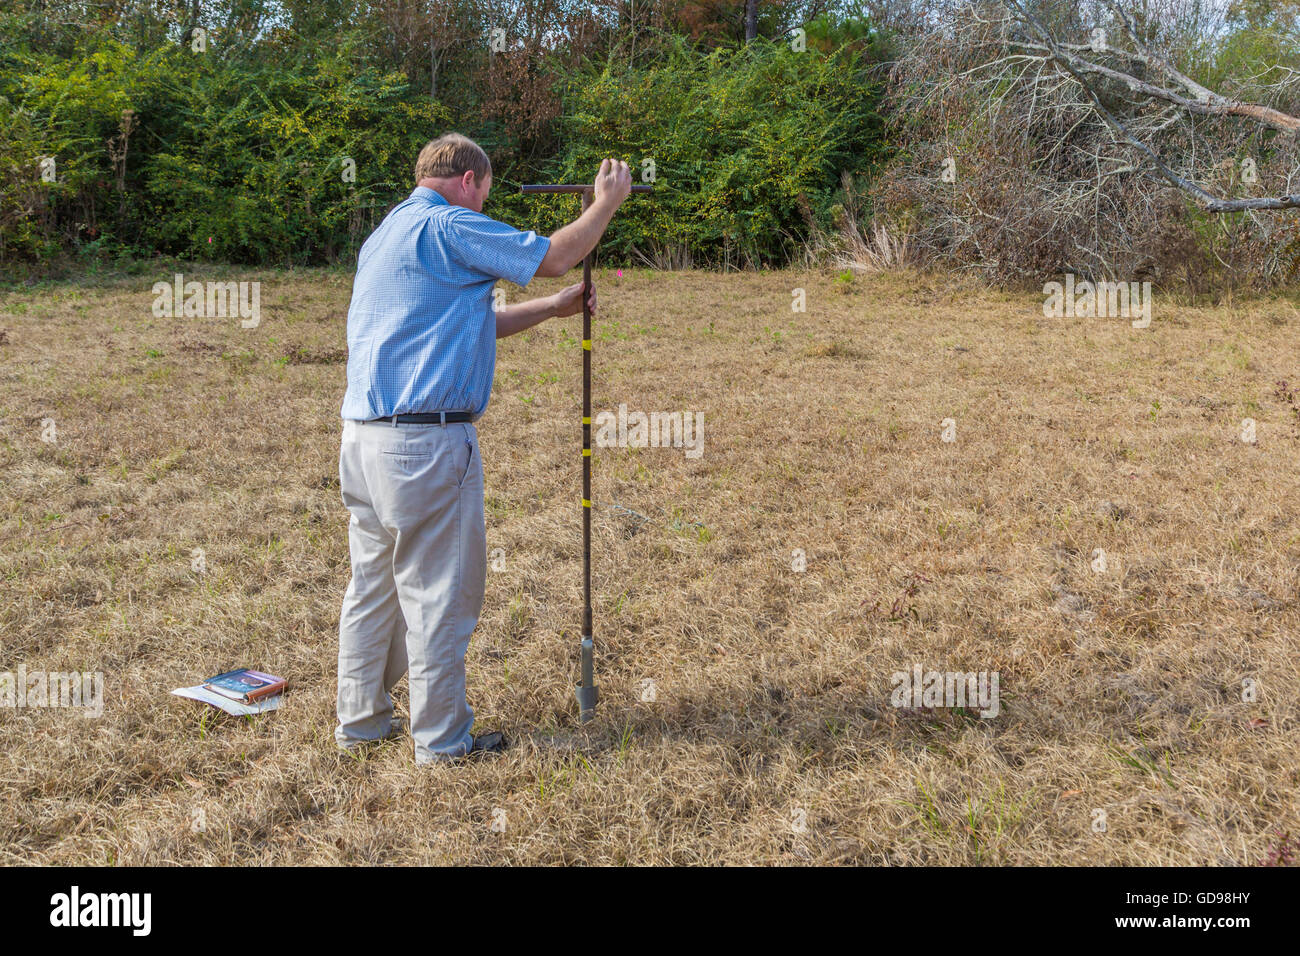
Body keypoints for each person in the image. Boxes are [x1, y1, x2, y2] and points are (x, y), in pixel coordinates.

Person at [334, 133, 632, 764]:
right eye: (486, 192)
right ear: (469, 181)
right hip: (425, 445)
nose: (483, 203)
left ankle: (360, 721)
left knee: (373, 588)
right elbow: (554, 254)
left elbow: (462, 320)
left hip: (363, 442)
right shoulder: (450, 225)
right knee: (439, 593)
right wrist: (604, 204)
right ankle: (442, 743)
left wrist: (552, 309)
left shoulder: (385, 234)